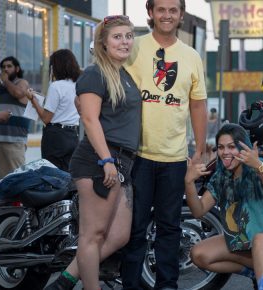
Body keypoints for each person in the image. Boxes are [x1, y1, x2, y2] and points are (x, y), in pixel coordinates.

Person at [45, 15, 141, 290]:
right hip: (99, 160)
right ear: (103, 42)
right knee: (93, 235)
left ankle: (65, 279)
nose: (125, 42)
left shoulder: (125, 75)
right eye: (117, 36)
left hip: (123, 161)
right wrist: (107, 160)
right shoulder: (94, 73)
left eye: (128, 36)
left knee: (119, 235)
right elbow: (89, 119)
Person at [121, 0, 208, 289]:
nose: (167, 15)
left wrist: (199, 149)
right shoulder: (133, 48)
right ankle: (131, 284)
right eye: (161, 9)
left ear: (181, 15)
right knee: (134, 229)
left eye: (173, 10)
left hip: (174, 158)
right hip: (137, 155)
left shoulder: (192, 56)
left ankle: (167, 285)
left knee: (170, 228)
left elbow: (197, 105)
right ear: (150, 13)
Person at [184, 123, 263, 290]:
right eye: (221, 147)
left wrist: (257, 165)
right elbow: (198, 210)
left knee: (261, 239)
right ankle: (254, 271)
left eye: (231, 147)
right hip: (251, 247)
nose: (225, 152)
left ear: (243, 147)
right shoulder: (220, 178)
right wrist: (189, 182)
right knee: (198, 254)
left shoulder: (258, 167)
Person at [26, 49, 81, 171]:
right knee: (69, 175)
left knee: (52, 175)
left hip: (55, 136)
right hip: (73, 134)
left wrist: (33, 100)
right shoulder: (78, 85)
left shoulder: (56, 86)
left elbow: (46, 118)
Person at [0, 56, 30, 179]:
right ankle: (9, 199)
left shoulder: (22, 83)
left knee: (18, 178)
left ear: (17, 69)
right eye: (3, 67)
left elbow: (18, 93)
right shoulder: (0, 88)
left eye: (9, 66)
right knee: (4, 180)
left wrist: (6, 81)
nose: (5, 69)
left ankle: (20, 199)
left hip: (15, 139)